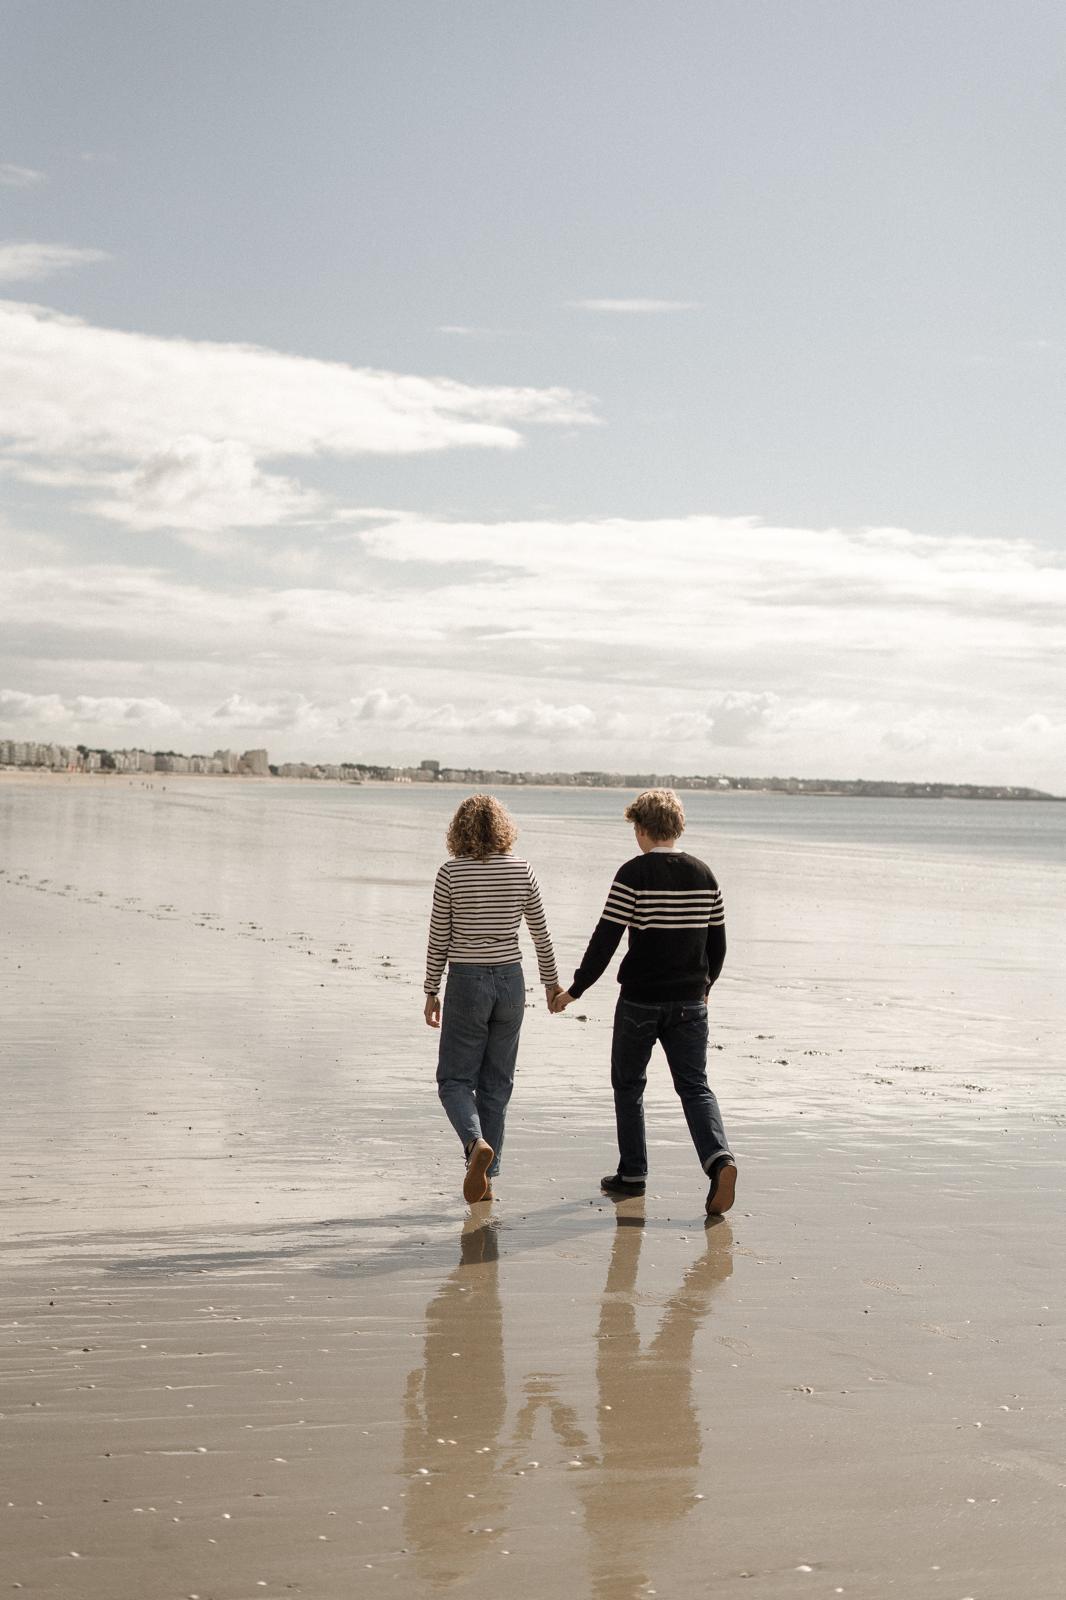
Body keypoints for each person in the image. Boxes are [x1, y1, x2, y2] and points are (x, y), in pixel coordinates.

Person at [552, 788, 736, 1215]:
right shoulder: (705, 875)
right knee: (694, 1086)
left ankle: (633, 1173)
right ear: (677, 827)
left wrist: (574, 990)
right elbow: (719, 944)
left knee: (629, 1085)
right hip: (692, 1001)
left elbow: (606, 940)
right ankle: (719, 1160)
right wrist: (706, 986)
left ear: (641, 829)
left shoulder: (633, 874)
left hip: (640, 1001)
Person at [425, 794, 559, 1202]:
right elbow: (540, 933)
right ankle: (486, 1178)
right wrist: (552, 985)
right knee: (497, 1083)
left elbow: (439, 939)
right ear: (503, 827)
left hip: (467, 980)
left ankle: (474, 1146)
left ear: (458, 830)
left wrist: (431, 989)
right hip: (510, 983)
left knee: (453, 1080)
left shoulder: (451, 873)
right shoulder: (522, 870)